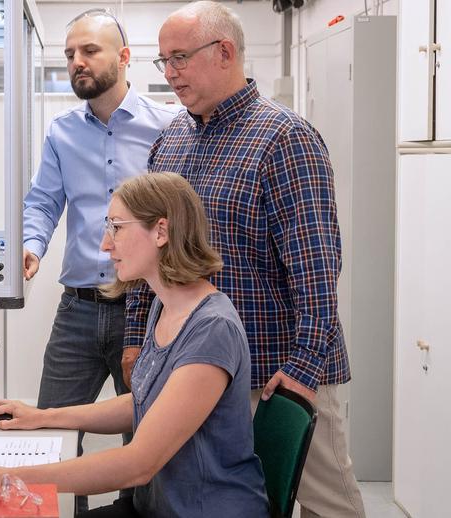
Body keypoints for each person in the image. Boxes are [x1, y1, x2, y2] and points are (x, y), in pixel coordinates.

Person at [123, 3, 366, 517]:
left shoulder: (284, 139)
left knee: (327, 504)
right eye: (163, 60)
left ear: (225, 52)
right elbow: (148, 254)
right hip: (195, 375)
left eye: (180, 58)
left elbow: (318, 271)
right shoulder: (170, 142)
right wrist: (133, 340)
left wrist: (301, 371)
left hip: (278, 375)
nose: (169, 73)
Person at [0, 173, 269, 518]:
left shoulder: (211, 328)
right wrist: (43, 416)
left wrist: (5, 478)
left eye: (116, 228)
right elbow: (141, 403)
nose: (105, 244)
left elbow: (138, 464)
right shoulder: (167, 306)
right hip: (154, 507)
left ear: (160, 231)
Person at [22, 8, 179, 513]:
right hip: (79, 310)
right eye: (70, 54)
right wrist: (32, 244)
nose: (77, 62)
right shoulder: (62, 131)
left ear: (124, 57)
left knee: (147, 432)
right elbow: (44, 201)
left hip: (148, 308)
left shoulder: (169, 127)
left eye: (89, 51)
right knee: (49, 426)